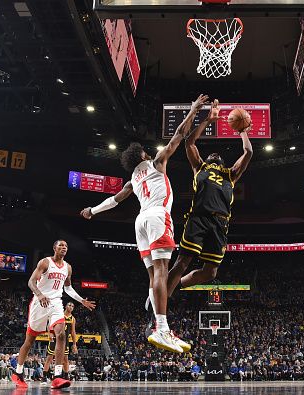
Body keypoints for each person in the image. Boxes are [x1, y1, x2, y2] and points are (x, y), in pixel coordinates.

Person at [80, 94, 210, 353]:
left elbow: (114, 201)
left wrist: (92, 211)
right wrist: (194, 110)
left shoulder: (132, 180)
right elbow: (180, 135)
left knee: (154, 276)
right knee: (163, 272)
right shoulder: (157, 163)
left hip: (140, 221)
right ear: (141, 154)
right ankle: (162, 328)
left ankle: (157, 320)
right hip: (157, 216)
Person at [163, 100, 253, 303]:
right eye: (211, 154)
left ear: (221, 161)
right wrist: (208, 119)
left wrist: (242, 131)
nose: (214, 154)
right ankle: (159, 306)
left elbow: (248, 153)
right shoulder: (199, 167)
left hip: (220, 223)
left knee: (210, 273)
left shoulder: (231, 175)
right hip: (199, 218)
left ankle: (170, 287)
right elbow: (190, 142)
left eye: (217, 155)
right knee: (183, 261)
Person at [11, 240, 96, 389]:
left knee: (62, 334)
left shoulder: (68, 267)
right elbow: (31, 282)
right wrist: (39, 294)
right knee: (29, 340)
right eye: (61, 245)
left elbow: (68, 288)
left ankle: (57, 376)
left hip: (56, 303)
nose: (64, 248)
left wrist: (82, 300)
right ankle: (18, 373)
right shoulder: (45, 262)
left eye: (66, 246)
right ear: (54, 248)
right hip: (40, 302)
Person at [42, 302, 77, 383]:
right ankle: (44, 377)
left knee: (65, 359)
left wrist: (74, 344)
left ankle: (65, 376)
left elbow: (73, 332)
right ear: (65, 306)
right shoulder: (59, 315)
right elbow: (50, 323)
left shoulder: (72, 319)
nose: (71, 307)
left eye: (72, 306)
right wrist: (50, 332)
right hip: (55, 338)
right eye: (69, 305)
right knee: (49, 358)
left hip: (65, 340)